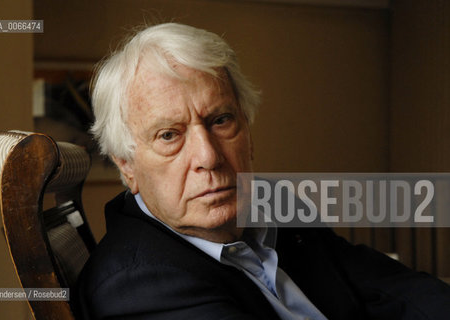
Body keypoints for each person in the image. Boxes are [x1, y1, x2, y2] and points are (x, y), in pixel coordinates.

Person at [77, 23, 450, 319]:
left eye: (221, 120)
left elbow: (389, 286)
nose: (208, 156)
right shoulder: (137, 285)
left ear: (248, 133)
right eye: (169, 135)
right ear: (128, 168)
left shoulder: (272, 206)